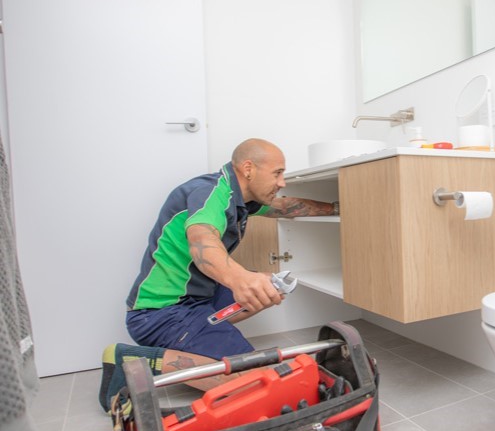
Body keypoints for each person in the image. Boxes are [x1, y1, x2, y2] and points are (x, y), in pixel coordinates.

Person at [99, 138, 338, 412]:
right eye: (277, 173)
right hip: (161, 313)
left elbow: (286, 206)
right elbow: (202, 240)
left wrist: (336, 207)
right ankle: (132, 360)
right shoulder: (210, 193)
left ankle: (202, 338)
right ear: (248, 169)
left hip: (197, 299)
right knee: (258, 383)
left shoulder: (240, 199)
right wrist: (240, 280)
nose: (282, 181)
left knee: (265, 289)